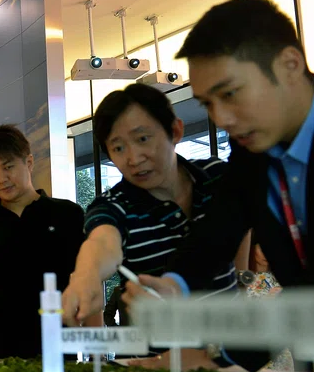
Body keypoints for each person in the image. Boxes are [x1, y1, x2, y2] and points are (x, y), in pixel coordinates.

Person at [121, 0, 314, 371]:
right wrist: (173, 285)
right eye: (207, 104)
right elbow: (220, 227)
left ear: (290, 65)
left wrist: (218, 357)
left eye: (229, 94)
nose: (222, 119)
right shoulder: (253, 148)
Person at [61, 83, 241, 328]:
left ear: (175, 131)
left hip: (234, 341)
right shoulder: (113, 206)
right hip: (161, 349)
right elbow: (102, 242)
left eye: (142, 139)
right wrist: (86, 276)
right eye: (118, 147)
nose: (134, 158)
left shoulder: (216, 176)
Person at [0, 124, 86, 358]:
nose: (1, 179)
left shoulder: (68, 215)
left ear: (29, 162)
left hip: (57, 352)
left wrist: (95, 355)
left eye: (8, 167)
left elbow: (87, 283)